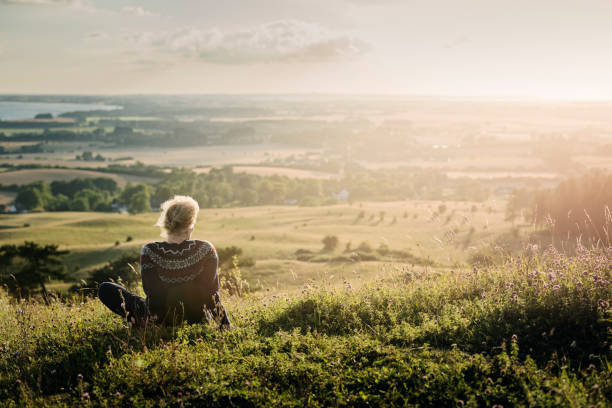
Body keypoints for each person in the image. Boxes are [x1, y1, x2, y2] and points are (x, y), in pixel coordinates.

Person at [97, 195, 231, 328]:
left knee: (105, 289)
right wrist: (224, 324)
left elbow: (153, 294)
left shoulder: (149, 250)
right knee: (177, 293)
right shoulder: (206, 249)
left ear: (166, 223)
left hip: (162, 316)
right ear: (190, 225)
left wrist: (153, 317)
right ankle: (153, 321)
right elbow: (211, 294)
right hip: (194, 317)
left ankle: (147, 321)